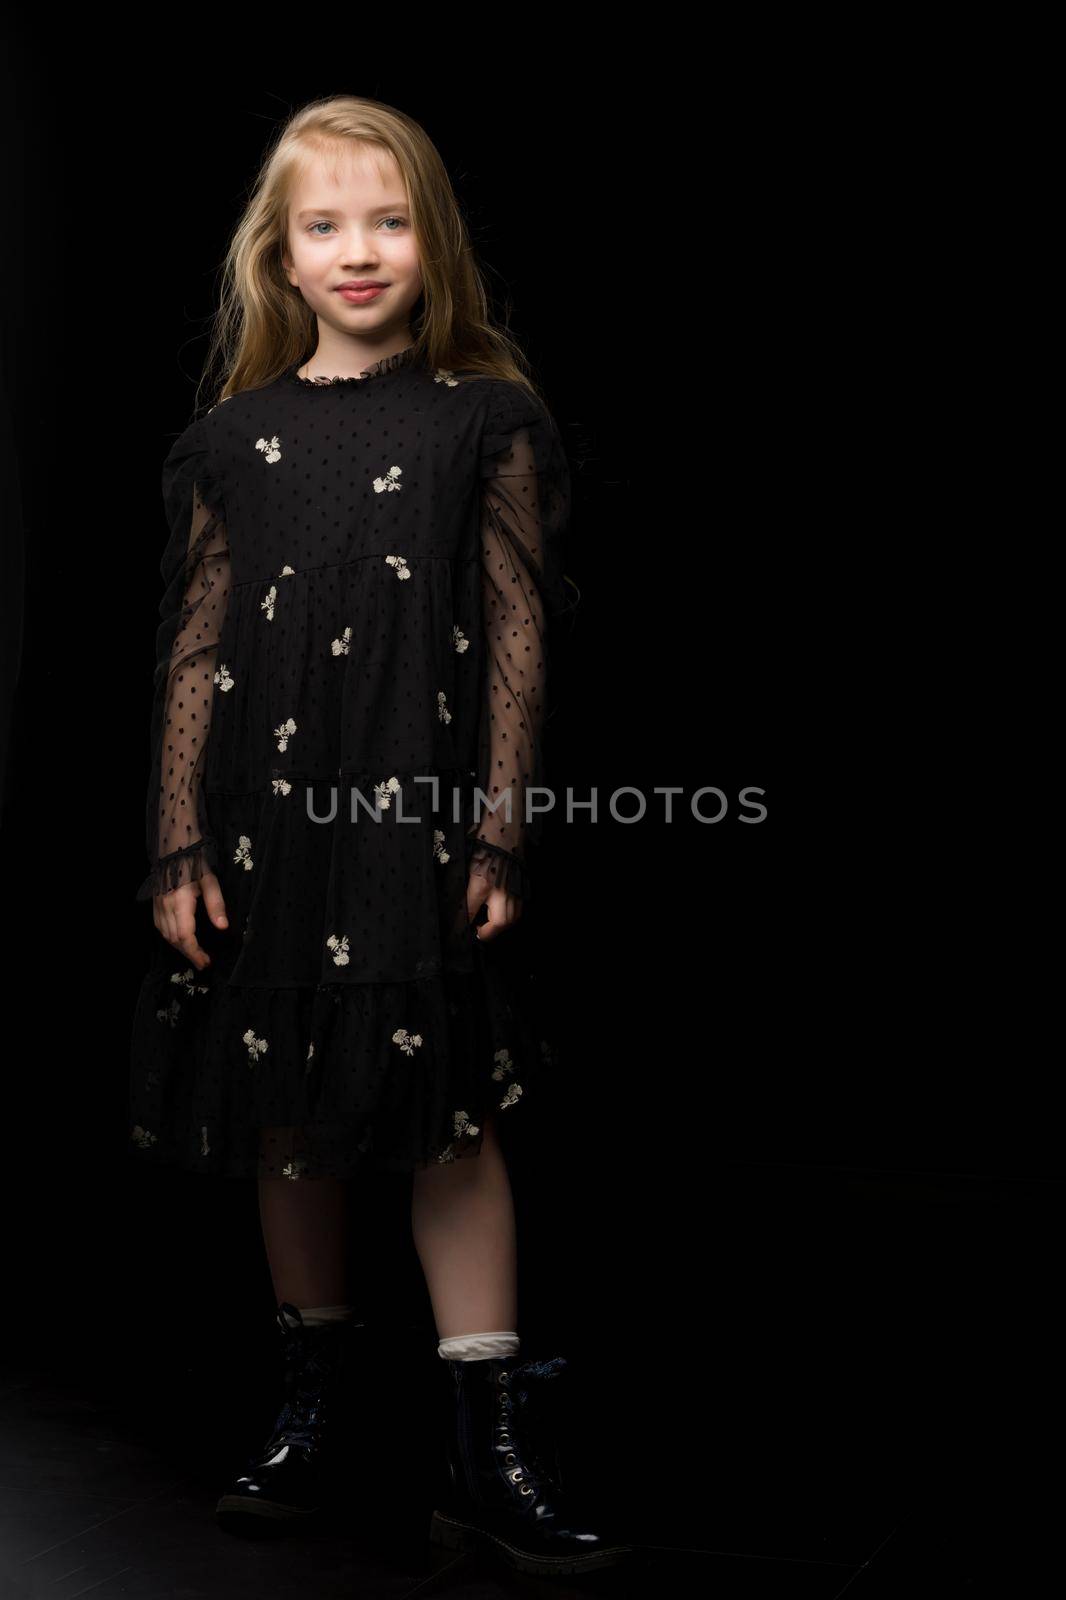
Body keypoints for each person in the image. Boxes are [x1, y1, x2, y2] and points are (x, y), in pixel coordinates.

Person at [128, 95, 629, 1578]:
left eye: (391, 219)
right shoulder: (227, 441)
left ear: (433, 239)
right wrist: (176, 845)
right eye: (326, 225)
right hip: (268, 828)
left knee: (451, 1121)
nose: (361, 250)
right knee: (291, 1110)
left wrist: (495, 836)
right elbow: (195, 648)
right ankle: (315, 1413)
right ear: (279, 257)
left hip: (414, 819)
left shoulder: (487, 415)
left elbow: (523, 631)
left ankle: (483, 1446)